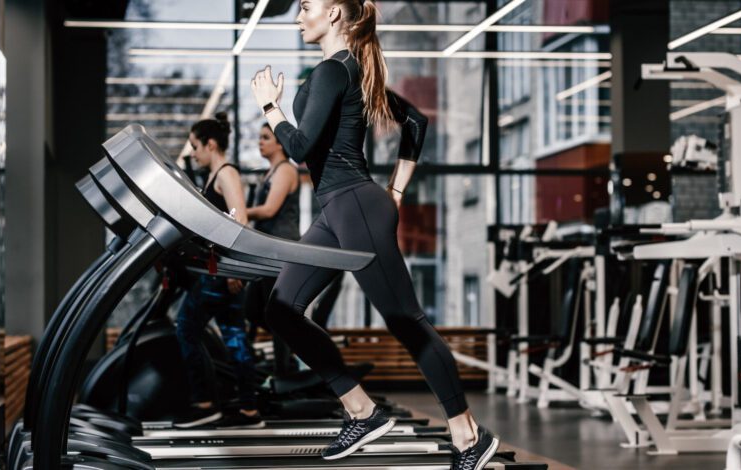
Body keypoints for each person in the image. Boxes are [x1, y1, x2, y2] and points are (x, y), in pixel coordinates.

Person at [249, 0, 499, 468]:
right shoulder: (349, 70)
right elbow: (415, 122)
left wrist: (270, 105)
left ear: (336, 14)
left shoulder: (335, 71)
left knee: (405, 319)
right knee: (281, 310)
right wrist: (395, 191)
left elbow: (300, 148)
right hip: (338, 209)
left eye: (306, 7)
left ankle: (468, 435)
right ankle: (360, 409)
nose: (299, 16)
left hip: (355, 206)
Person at [173, 112, 260, 428]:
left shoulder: (226, 174)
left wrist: (235, 268)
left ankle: (205, 403)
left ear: (211, 144)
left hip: (221, 271)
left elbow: (240, 221)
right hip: (220, 270)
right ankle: (249, 410)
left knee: (185, 327)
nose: (193, 152)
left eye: (196, 146)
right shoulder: (214, 175)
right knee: (235, 337)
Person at [244, 123, 301, 375]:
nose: (260, 142)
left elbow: (269, 210)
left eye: (266, 138)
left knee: (276, 314)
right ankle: (292, 345)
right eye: (259, 137)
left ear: (280, 144)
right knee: (252, 309)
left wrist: (237, 212)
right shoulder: (270, 173)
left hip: (281, 251)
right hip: (266, 251)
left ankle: (284, 370)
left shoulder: (286, 170)